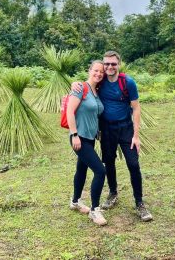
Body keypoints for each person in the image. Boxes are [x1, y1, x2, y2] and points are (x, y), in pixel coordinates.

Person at [73, 50, 153, 222]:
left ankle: (139, 203)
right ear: (104, 65)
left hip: (125, 129)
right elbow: (86, 85)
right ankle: (113, 192)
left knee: (133, 163)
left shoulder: (128, 83)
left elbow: (136, 108)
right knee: (108, 161)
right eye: (107, 64)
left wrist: (136, 136)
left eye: (113, 64)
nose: (110, 67)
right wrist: (75, 84)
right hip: (106, 129)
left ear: (119, 64)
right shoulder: (100, 81)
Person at [66, 60, 107, 226]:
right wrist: (74, 134)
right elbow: (70, 110)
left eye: (101, 72)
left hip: (90, 138)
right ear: (89, 70)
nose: (98, 74)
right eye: (95, 70)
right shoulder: (80, 88)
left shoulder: (97, 91)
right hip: (79, 137)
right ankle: (94, 210)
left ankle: (75, 202)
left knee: (81, 169)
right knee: (100, 171)